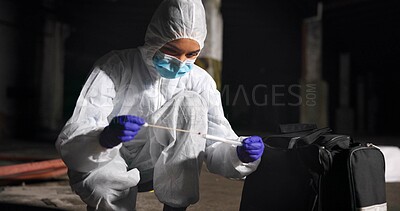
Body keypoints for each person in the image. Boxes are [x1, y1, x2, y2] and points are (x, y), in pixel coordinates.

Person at [55, 0, 264, 210]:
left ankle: (176, 206)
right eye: (172, 51)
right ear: (156, 38)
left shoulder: (200, 81)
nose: (181, 61)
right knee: (106, 183)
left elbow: (214, 141)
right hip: (105, 158)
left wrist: (238, 154)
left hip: (158, 167)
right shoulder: (115, 66)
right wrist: (103, 138)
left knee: (190, 103)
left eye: (191, 54)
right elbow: (81, 127)